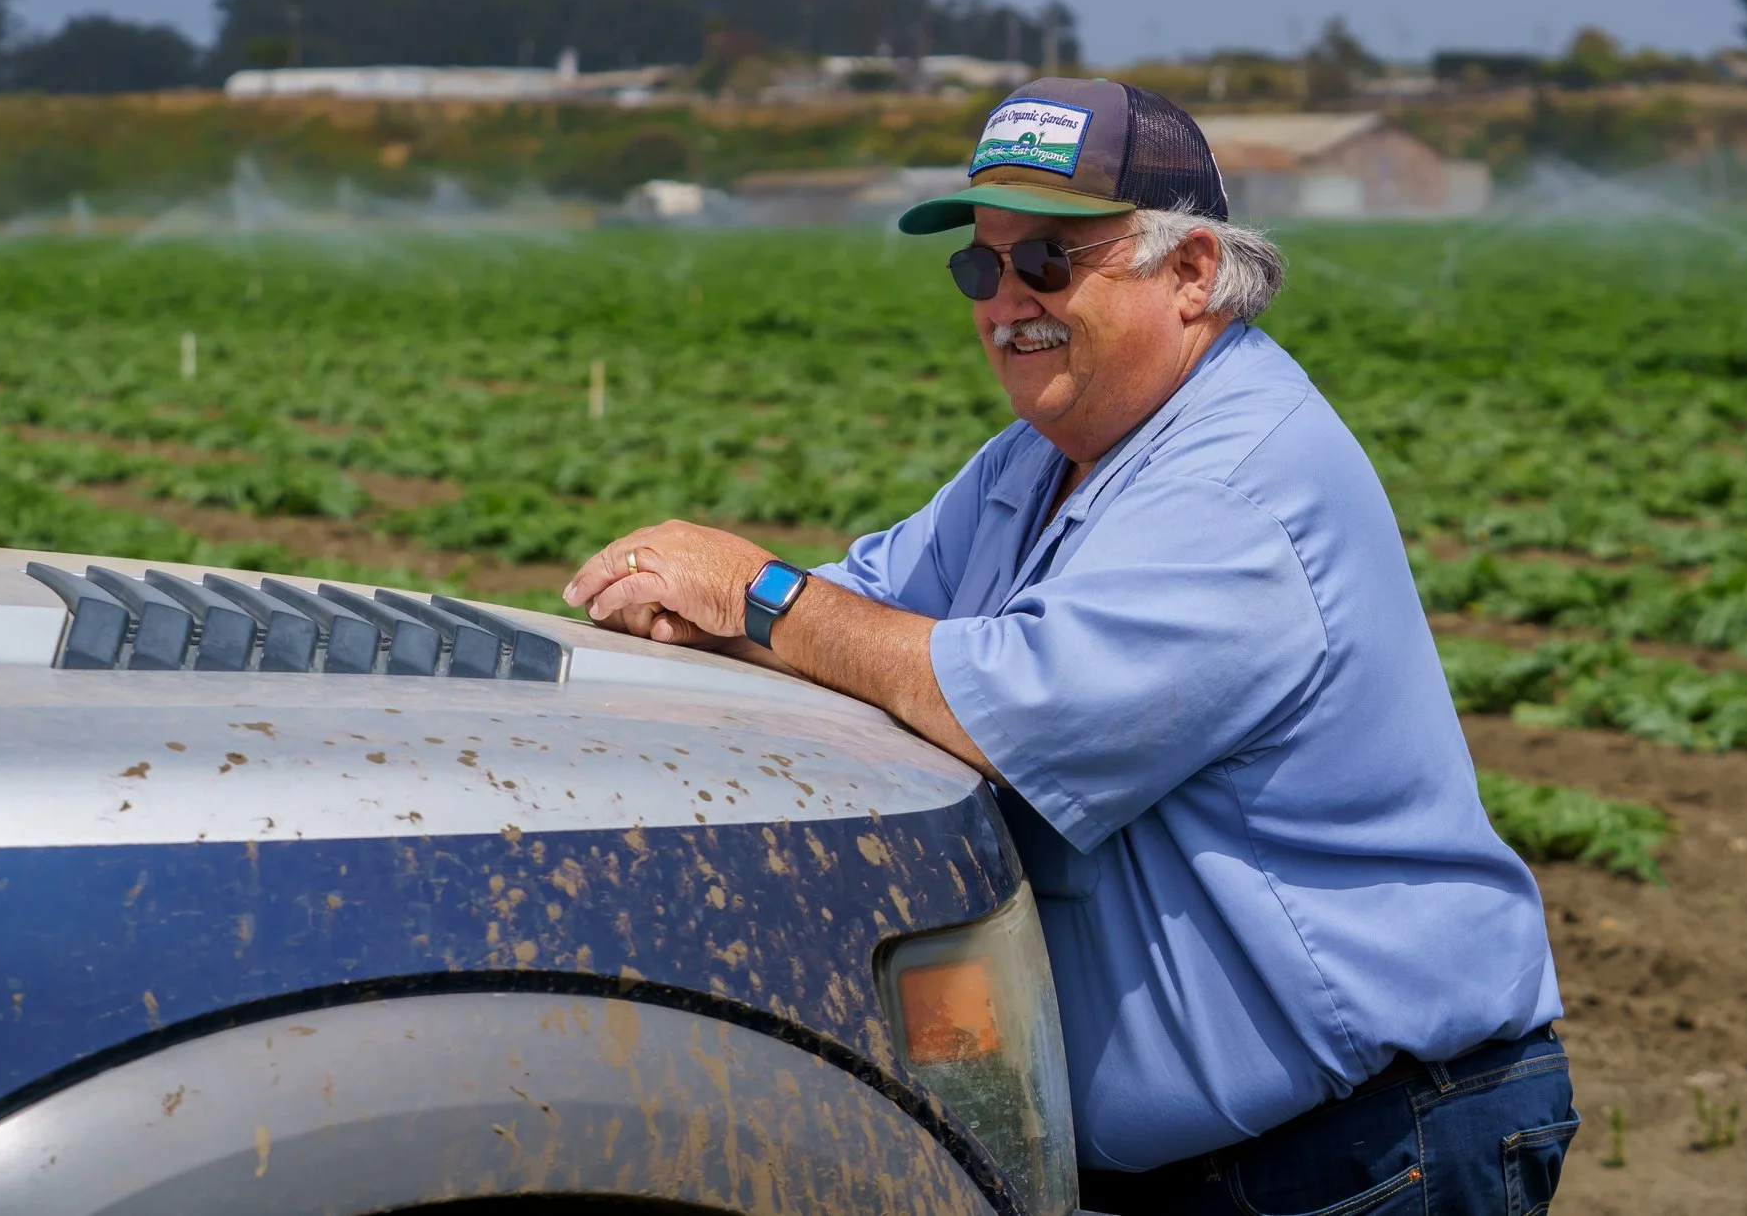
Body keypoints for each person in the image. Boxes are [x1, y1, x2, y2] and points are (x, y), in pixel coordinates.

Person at [564, 79, 1571, 1215]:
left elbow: (1014, 705)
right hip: (1206, 1163)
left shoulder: (1240, 479)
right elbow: (861, 607)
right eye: (979, 266)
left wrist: (756, 594)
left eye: (1048, 259)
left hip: (1367, 1149)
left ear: (1192, 271)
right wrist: (714, 613)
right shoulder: (1036, 460)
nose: (1006, 301)